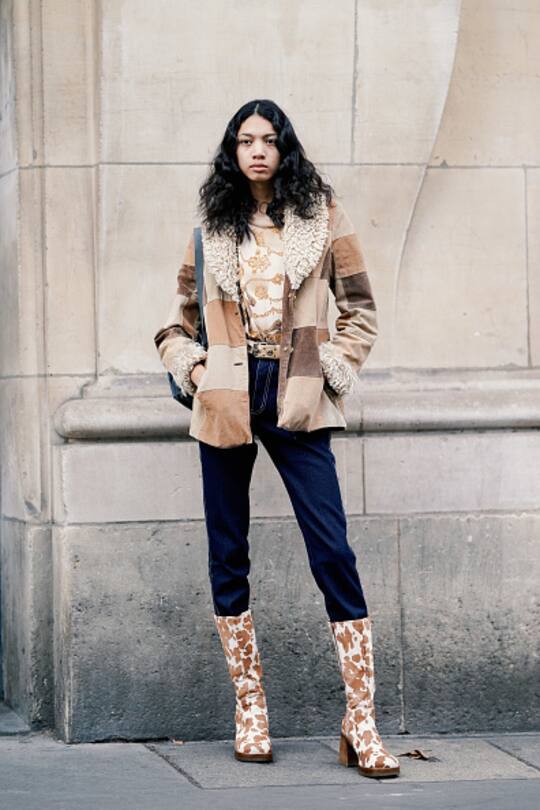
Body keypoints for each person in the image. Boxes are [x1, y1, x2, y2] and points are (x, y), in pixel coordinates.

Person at [153, 99, 400, 779]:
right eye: (245, 141)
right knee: (228, 552)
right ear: (232, 153)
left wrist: (331, 369)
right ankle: (251, 709)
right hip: (228, 394)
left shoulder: (322, 221)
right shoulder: (209, 230)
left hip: (297, 390)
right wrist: (195, 368)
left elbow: (361, 309)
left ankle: (360, 721)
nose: (257, 150)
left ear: (284, 148)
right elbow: (174, 323)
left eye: (268, 140)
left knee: (334, 549)